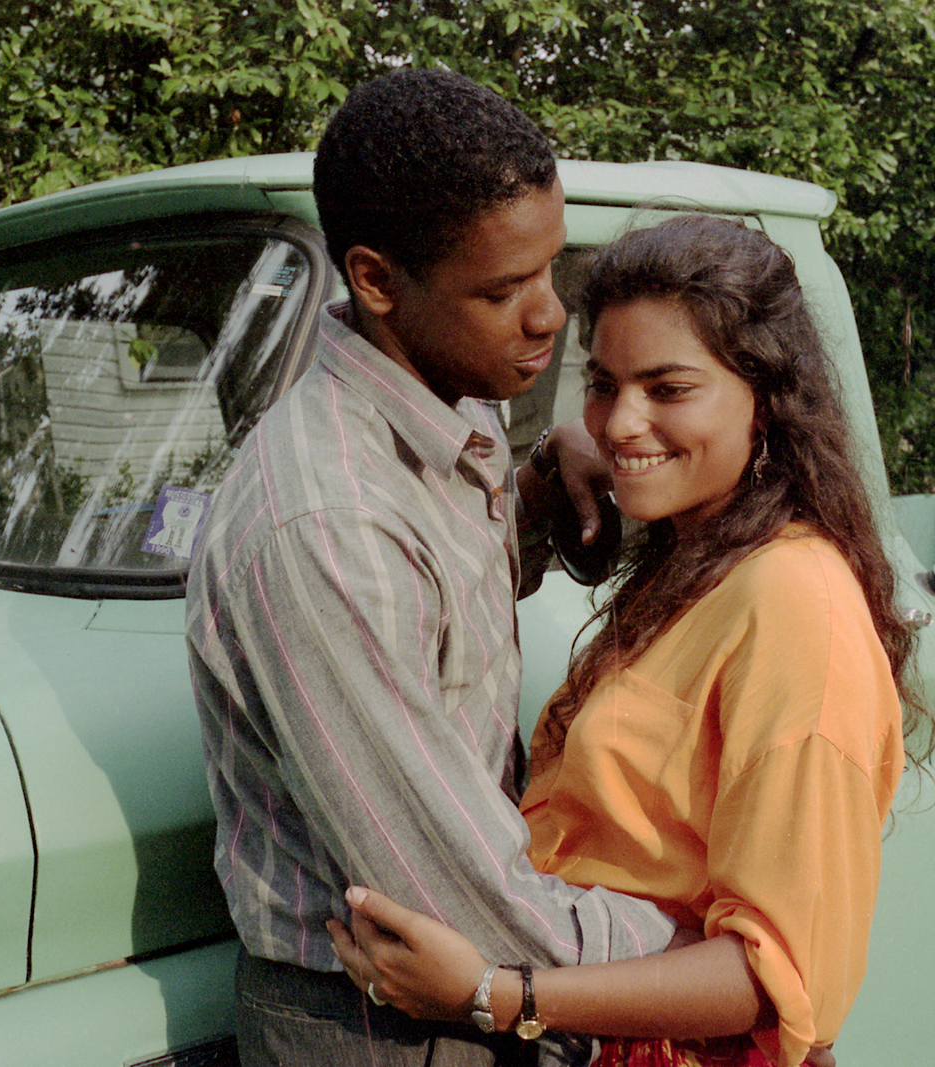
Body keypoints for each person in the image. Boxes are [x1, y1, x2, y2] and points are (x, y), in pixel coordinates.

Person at [330, 214, 931, 1067]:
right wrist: (557, 457)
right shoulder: (702, 554)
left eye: (669, 388)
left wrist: (493, 993)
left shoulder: (797, 604)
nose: (619, 423)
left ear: (768, 396)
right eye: (603, 384)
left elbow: (777, 979)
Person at [186, 67, 681, 1067]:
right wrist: (695, 943)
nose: (547, 315)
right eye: (503, 290)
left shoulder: (453, 393)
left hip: (472, 994)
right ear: (375, 281)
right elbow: (456, 897)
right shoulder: (326, 524)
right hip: (380, 1024)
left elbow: (440, 601)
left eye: (551, 269)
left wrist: (538, 487)